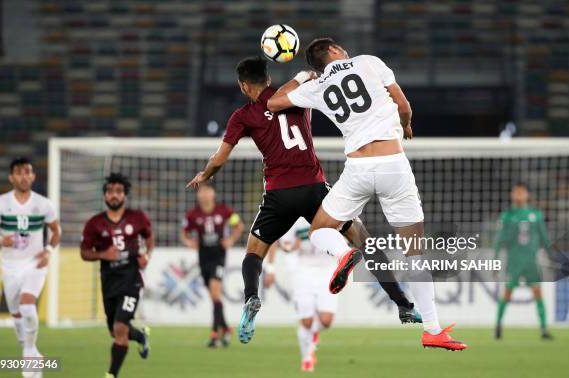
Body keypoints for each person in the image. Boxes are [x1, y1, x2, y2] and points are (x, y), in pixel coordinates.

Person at [186, 56, 418, 345]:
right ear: (268, 80)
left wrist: (205, 174)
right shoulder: (293, 97)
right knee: (364, 240)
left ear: (244, 86)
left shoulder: (242, 116)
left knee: (253, 252)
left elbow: (219, 158)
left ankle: (251, 298)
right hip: (315, 188)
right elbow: (312, 79)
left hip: (278, 195)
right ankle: (403, 304)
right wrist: (302, 75)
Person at [267, 38, 467, 350]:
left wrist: (304, 77)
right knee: (414, 252)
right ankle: (432, 330)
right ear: (334, 51)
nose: (344, 50)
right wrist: (407, 126)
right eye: (339, 48)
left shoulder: (316, 85)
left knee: (320, 229)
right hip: (393, 166)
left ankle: (344, 253)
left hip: (358, 169)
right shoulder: (367, 61)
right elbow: (403, 106)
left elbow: (274, 103)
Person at [0, 157, 61, 376]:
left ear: (33, 176)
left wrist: (48, 251)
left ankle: (29, 354)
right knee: (16, 314)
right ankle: (33, 358)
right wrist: (3, 241)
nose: (24, 176)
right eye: (19, 172)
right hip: (11, 265)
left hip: (35, 263)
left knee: (28, 307)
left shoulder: (43, 203)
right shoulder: (0, 203)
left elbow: (56, 231)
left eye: (28, 172)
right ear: (12, 177)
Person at [80, 173, 153, 378]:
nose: (114, 195)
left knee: (120, 327)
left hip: (131, 282)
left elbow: (149, 238)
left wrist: (146, 255)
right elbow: (84, 253)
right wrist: (103, 254)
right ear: (104, 196)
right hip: (109, 282)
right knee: (115, 331)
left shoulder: (137, 217)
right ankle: (140, 336)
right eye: (110, 191)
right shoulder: (94, 224)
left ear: (125, 195)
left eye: (119, 191)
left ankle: (111, 374)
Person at [181, 181, 244, 347]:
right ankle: (225, 327)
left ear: (213, 194)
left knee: (215, 293)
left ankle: (215, 334)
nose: (204, 194)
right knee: (214, 297)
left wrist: (230, 240)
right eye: (201, 191)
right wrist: (189, 242)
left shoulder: (224, 211)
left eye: (207, 190)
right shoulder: (193, 214)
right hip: (203, 258)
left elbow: (239, 225)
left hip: (219, 257)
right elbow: (184, 232)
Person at [494, 183, 553, 340]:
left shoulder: (536, 215)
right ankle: (498, 326)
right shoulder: (507, 215)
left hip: (531, 263)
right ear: (512, 195)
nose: (519, 195)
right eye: (516, 192)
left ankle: (544, 330)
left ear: (527, 194)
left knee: (538, 293)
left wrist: (551, 256)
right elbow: (499, 241)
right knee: (507, 294)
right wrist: (495, 260)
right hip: (514, 262)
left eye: (522, 192)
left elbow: (545, 238)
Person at [279, 217, 338, 372]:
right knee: (306, 321)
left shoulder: (334, 215)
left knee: (326, 321)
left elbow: (346, 240)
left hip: (327, 269)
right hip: (303, 270)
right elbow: (285, 244)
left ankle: (314, 332)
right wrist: (291, 246)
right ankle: (307, 357)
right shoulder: (297, 219)